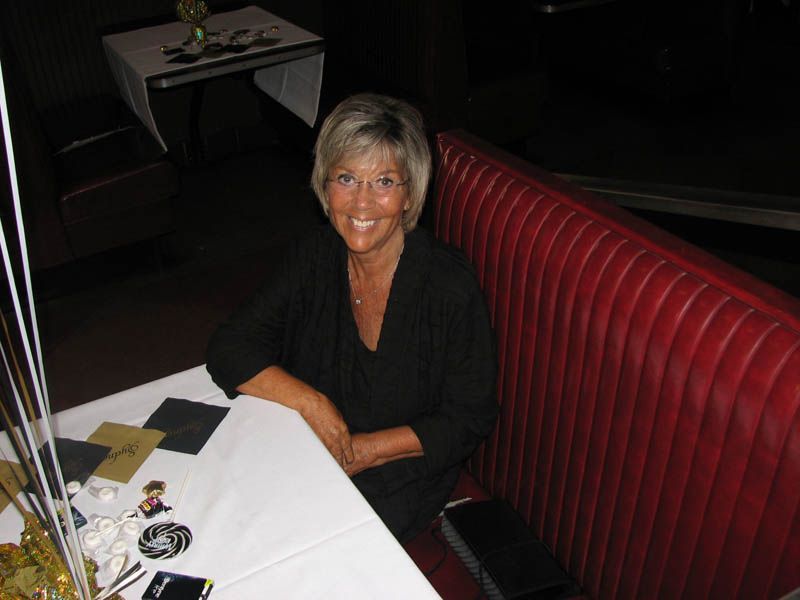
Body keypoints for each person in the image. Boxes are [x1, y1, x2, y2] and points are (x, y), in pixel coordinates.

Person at [206, 93, 497, 542]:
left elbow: (468, 418)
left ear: (410, 194)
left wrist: (365, 450)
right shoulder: (313, 256)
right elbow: (230, 347)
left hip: (399, 474)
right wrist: (312, 404)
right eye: (346, 178)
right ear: (325, 187)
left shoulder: (446, 285)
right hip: (312, 450)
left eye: (384, 181)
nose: (362, 202)